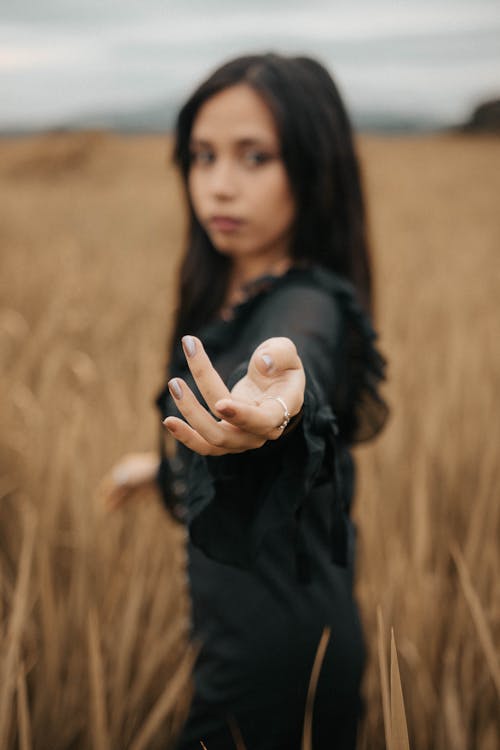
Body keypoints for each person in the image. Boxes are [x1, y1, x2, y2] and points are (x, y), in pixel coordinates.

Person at [104, 53, 388, 750]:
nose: (219, 187)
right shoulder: (226, 288)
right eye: (202, 156)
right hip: (242, 639)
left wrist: (286, 405)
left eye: (255, 157)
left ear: (314, 171)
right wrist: (169, 465)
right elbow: (232, 426)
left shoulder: (309, 304)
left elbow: (295, 362)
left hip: (281, 660)